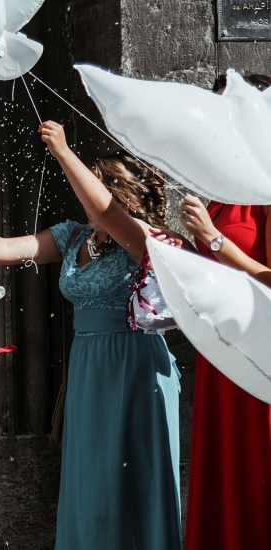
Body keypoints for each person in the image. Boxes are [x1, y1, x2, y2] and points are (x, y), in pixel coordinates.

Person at [0, 121, 181, 549]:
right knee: (92, 484)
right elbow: (8, 249)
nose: (84, 198)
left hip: (135, 367)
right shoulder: (73, 235)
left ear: (118, 195)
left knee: (133, 479)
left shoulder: (143, 240)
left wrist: (63, 152)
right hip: (89, 368)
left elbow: (106, 212)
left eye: (94, 188)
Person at [181, 73, 271, 550]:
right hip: (218, 350)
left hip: (260, 348)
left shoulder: (267, 187)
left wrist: (216, 242)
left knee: (257, 471)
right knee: (224, 470)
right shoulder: (218, 187)